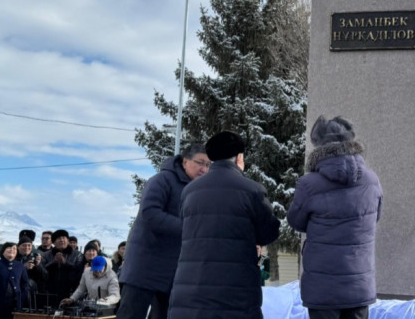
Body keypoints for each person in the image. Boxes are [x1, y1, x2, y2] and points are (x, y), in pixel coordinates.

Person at [168, 131, 281, 319]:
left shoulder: (189, 191)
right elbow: (269, 232)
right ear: (239, 157)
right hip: (234, 294)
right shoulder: (252, 190)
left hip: (189, 293)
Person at [287, 116, 383, 319]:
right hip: (359, 282)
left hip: (323, 287)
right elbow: (375, 217)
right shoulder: (372, 181)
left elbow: (295, 221)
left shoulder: (309, 184)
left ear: (319, 147)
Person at [116, 143, 209, 319]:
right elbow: (150, 213)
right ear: (185, 161)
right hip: (145, 266)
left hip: (174, 271)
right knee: (131, 314)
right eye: (200, 163)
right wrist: (188, 228)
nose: (204, 169)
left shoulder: (198, 190)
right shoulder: (162, 180)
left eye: (208, 165)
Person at [0, 242, 28, 319]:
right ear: (3, 251)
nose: (12, 250)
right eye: (9, 247)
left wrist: (21, 298)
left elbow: (24, 284)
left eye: (14, 248)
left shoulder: (20, 266)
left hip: (15, 304)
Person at [41, 229, 81, 305]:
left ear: (68, 240)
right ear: (53, 242)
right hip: (50, 291)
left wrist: (65, 262)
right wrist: (54, 262)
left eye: (64, 238)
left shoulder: (77, 254)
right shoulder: (46, 255)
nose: (62, 240)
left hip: (71, 292)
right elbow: (42, 271)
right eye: (59, 238)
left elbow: (78, 270)